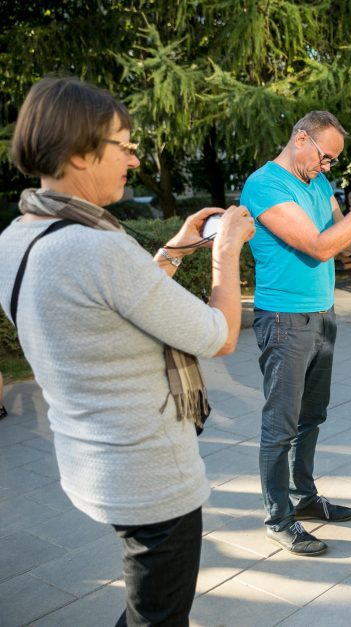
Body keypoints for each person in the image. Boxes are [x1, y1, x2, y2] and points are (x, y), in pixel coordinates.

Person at [0, 76, 256, 625]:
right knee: (159, 618)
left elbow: (117, 299)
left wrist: (179, 245)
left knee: (149, 608)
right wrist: (226, 251)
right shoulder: (97, 246)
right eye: (125, 145)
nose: (134, 161)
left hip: (90, 456)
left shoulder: (20, 234)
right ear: (78, 150)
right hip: (148, 474)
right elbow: (221, 334)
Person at [240, 110, 351, 556]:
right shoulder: (265, 185)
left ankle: (305, 497)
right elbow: (317, 245)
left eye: (332, 160)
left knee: (312, 416)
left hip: (322, 314)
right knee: (281, 423)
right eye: (325, 156)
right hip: (283, 319)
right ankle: (279, 517)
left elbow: (346, 242)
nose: (327, 167)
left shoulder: (316, 184)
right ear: (301, 138)